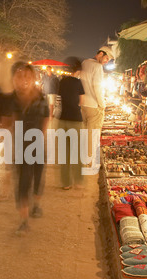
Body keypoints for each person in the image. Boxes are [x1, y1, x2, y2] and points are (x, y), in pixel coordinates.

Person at [0, 62, 49, 236]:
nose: (24, 80)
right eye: (19, 76)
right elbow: (6, 123)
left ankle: (36, 203)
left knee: (37, 176)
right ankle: (24, 221)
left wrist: (41, 138)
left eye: (27, 76)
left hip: (37, 144)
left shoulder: (41, 98)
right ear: (13, 79)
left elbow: (45, 119)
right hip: (20, 146)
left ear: (33, 78)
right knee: (22, 182)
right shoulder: (10, 100)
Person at [80, 46, 114, 169]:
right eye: (106, 58)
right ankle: (88, 160)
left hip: (83, 103)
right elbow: (98, 88)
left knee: (84, 132)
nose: (106, 61)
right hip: (94, 105)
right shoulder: (98, 67)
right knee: (93, 134)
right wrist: (102, 104)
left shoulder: (85, 63)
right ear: (100, 54)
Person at [57, 57, 85, 190]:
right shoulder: (78, 83)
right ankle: (78, 181)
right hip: (75, 119)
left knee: (64, 153)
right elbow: (82, 102)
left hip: (63, 119)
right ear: (78, 70)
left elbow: (60, 98)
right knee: (77, 151)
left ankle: (66, 183)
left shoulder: (62, 81)